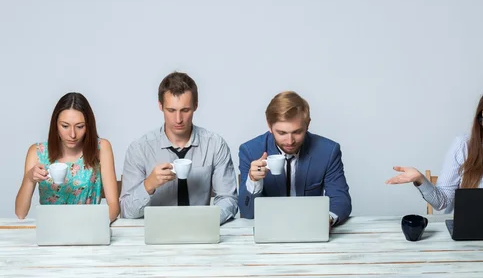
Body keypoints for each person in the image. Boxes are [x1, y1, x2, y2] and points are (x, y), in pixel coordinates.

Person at [120, 72, 238, 224]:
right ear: (160, 106)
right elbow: (126, 211)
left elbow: (228, 199)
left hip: (202, 229)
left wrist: (207, 221)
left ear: (196, 106)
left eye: (185, 110)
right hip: (157, 231)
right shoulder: (140, 149)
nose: (178, 119)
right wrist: (148, 185)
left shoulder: (215, 145)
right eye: (171, 110)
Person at [238, 91, 352, 226]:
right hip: (269, 227)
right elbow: (247, 212)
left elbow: (340, 199)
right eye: (282, 133)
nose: (290, 141)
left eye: (297, 132)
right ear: (269, 125)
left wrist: (327, 220)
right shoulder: (250, 151)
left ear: (307, 124)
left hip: (311, 226)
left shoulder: (328, 151)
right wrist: (254, 181)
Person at [15, 92, 120, 221]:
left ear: (89, 126)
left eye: (80, 127)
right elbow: (20, 213)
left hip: (89, 228)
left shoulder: (101, 148)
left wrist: (96, 226)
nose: (72, 134)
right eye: (65, 126)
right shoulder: (37, 152)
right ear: (55, 125)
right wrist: (29, 179)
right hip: (51, 229)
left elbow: (114, 205)